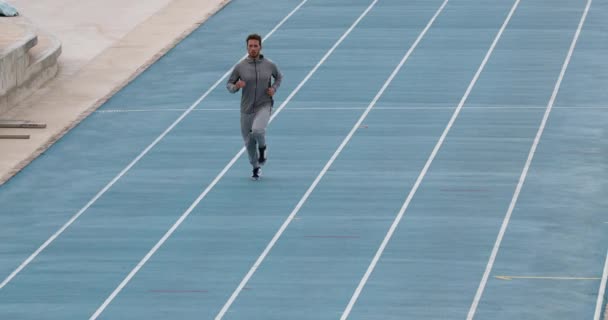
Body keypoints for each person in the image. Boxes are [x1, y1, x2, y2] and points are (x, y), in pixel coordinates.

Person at [227, 33, 283, 180]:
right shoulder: (240, 67)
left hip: (264, 104)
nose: (253, 48)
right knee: (249, 142)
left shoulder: (269, 65)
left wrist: (274, 89)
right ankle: (255, 167)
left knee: (258, 130)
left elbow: (279, 77)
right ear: (247, 47)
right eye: (250, 46)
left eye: (255, 46)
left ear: (260, 47)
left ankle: (263, 149)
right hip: (246, 109)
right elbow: (229, 84)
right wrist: (236, 86)